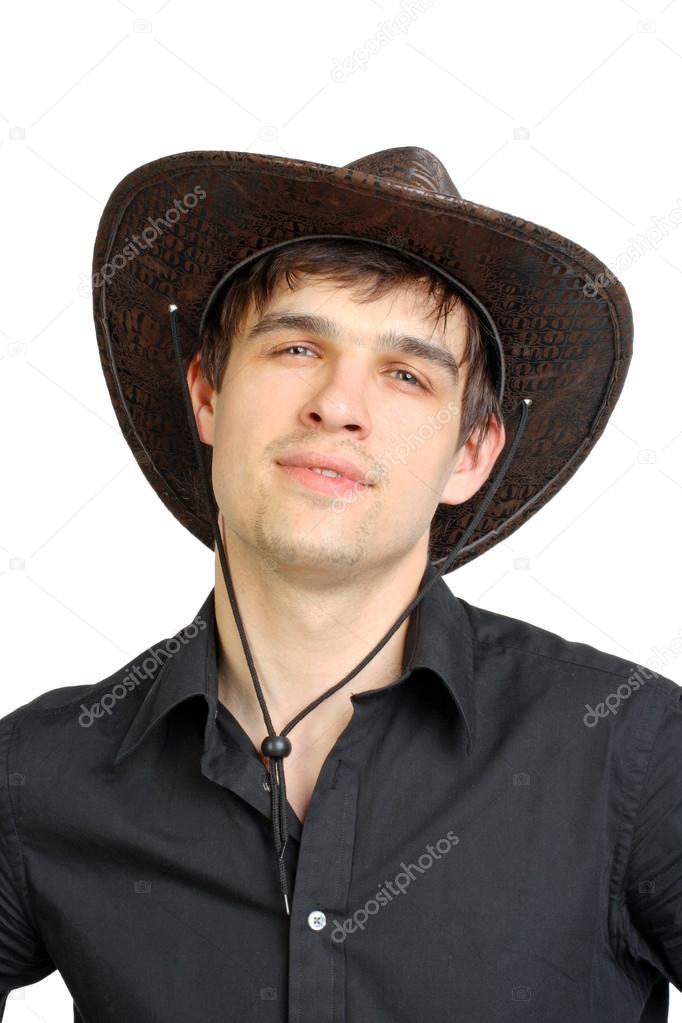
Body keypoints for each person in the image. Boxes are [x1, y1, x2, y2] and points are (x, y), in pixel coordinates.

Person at [1, 145, 680, 1022]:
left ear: (470, 454)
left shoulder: (635, 751)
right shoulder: (39, 775)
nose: (338, 403)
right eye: (295, 346)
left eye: (406, 373)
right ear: (207, 393)